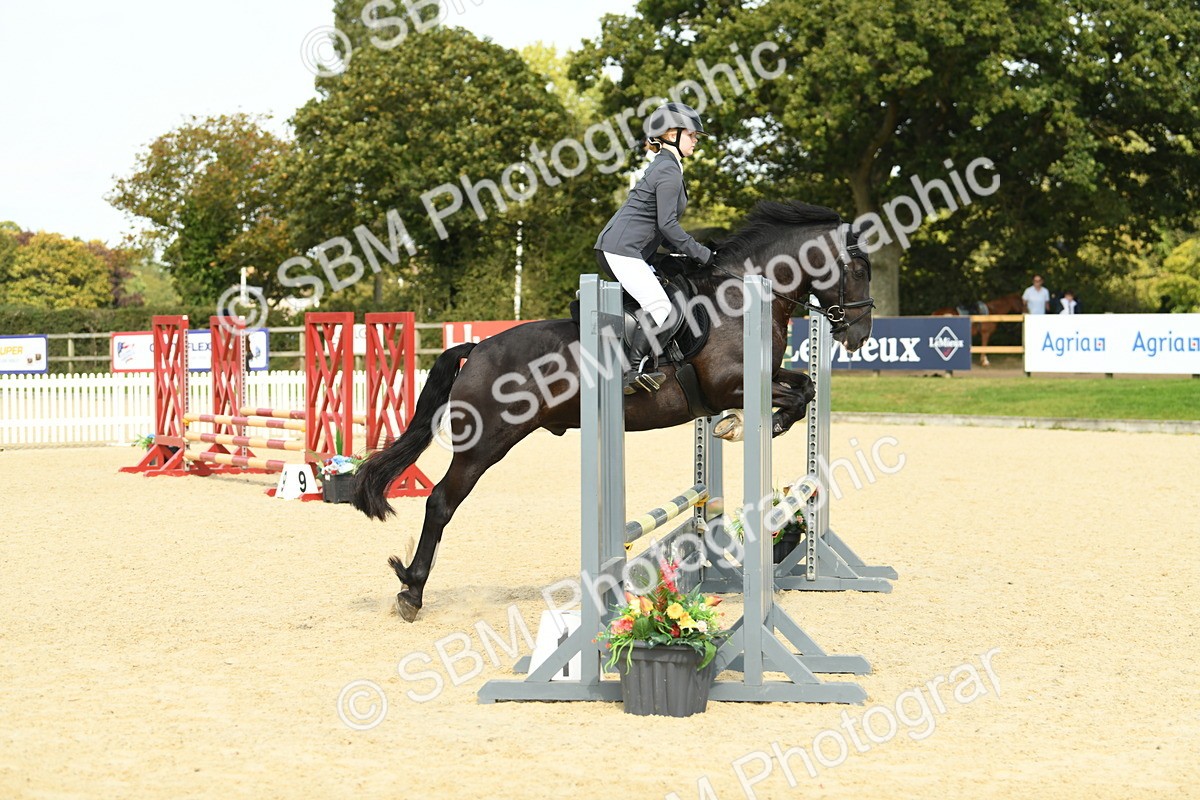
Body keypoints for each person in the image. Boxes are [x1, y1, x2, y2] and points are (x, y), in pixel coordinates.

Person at [595, 102, 715, 393]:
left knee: (670, 292)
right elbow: (668, 226)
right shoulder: (668, 170)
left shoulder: (667, 166)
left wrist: (675, 256)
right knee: (661, 307)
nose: (696, 140)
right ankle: (630, 371)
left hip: (631, 250)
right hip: (621, 251)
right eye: (692, 134)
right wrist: (702, 254)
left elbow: (659, 229)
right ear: (671, 134)